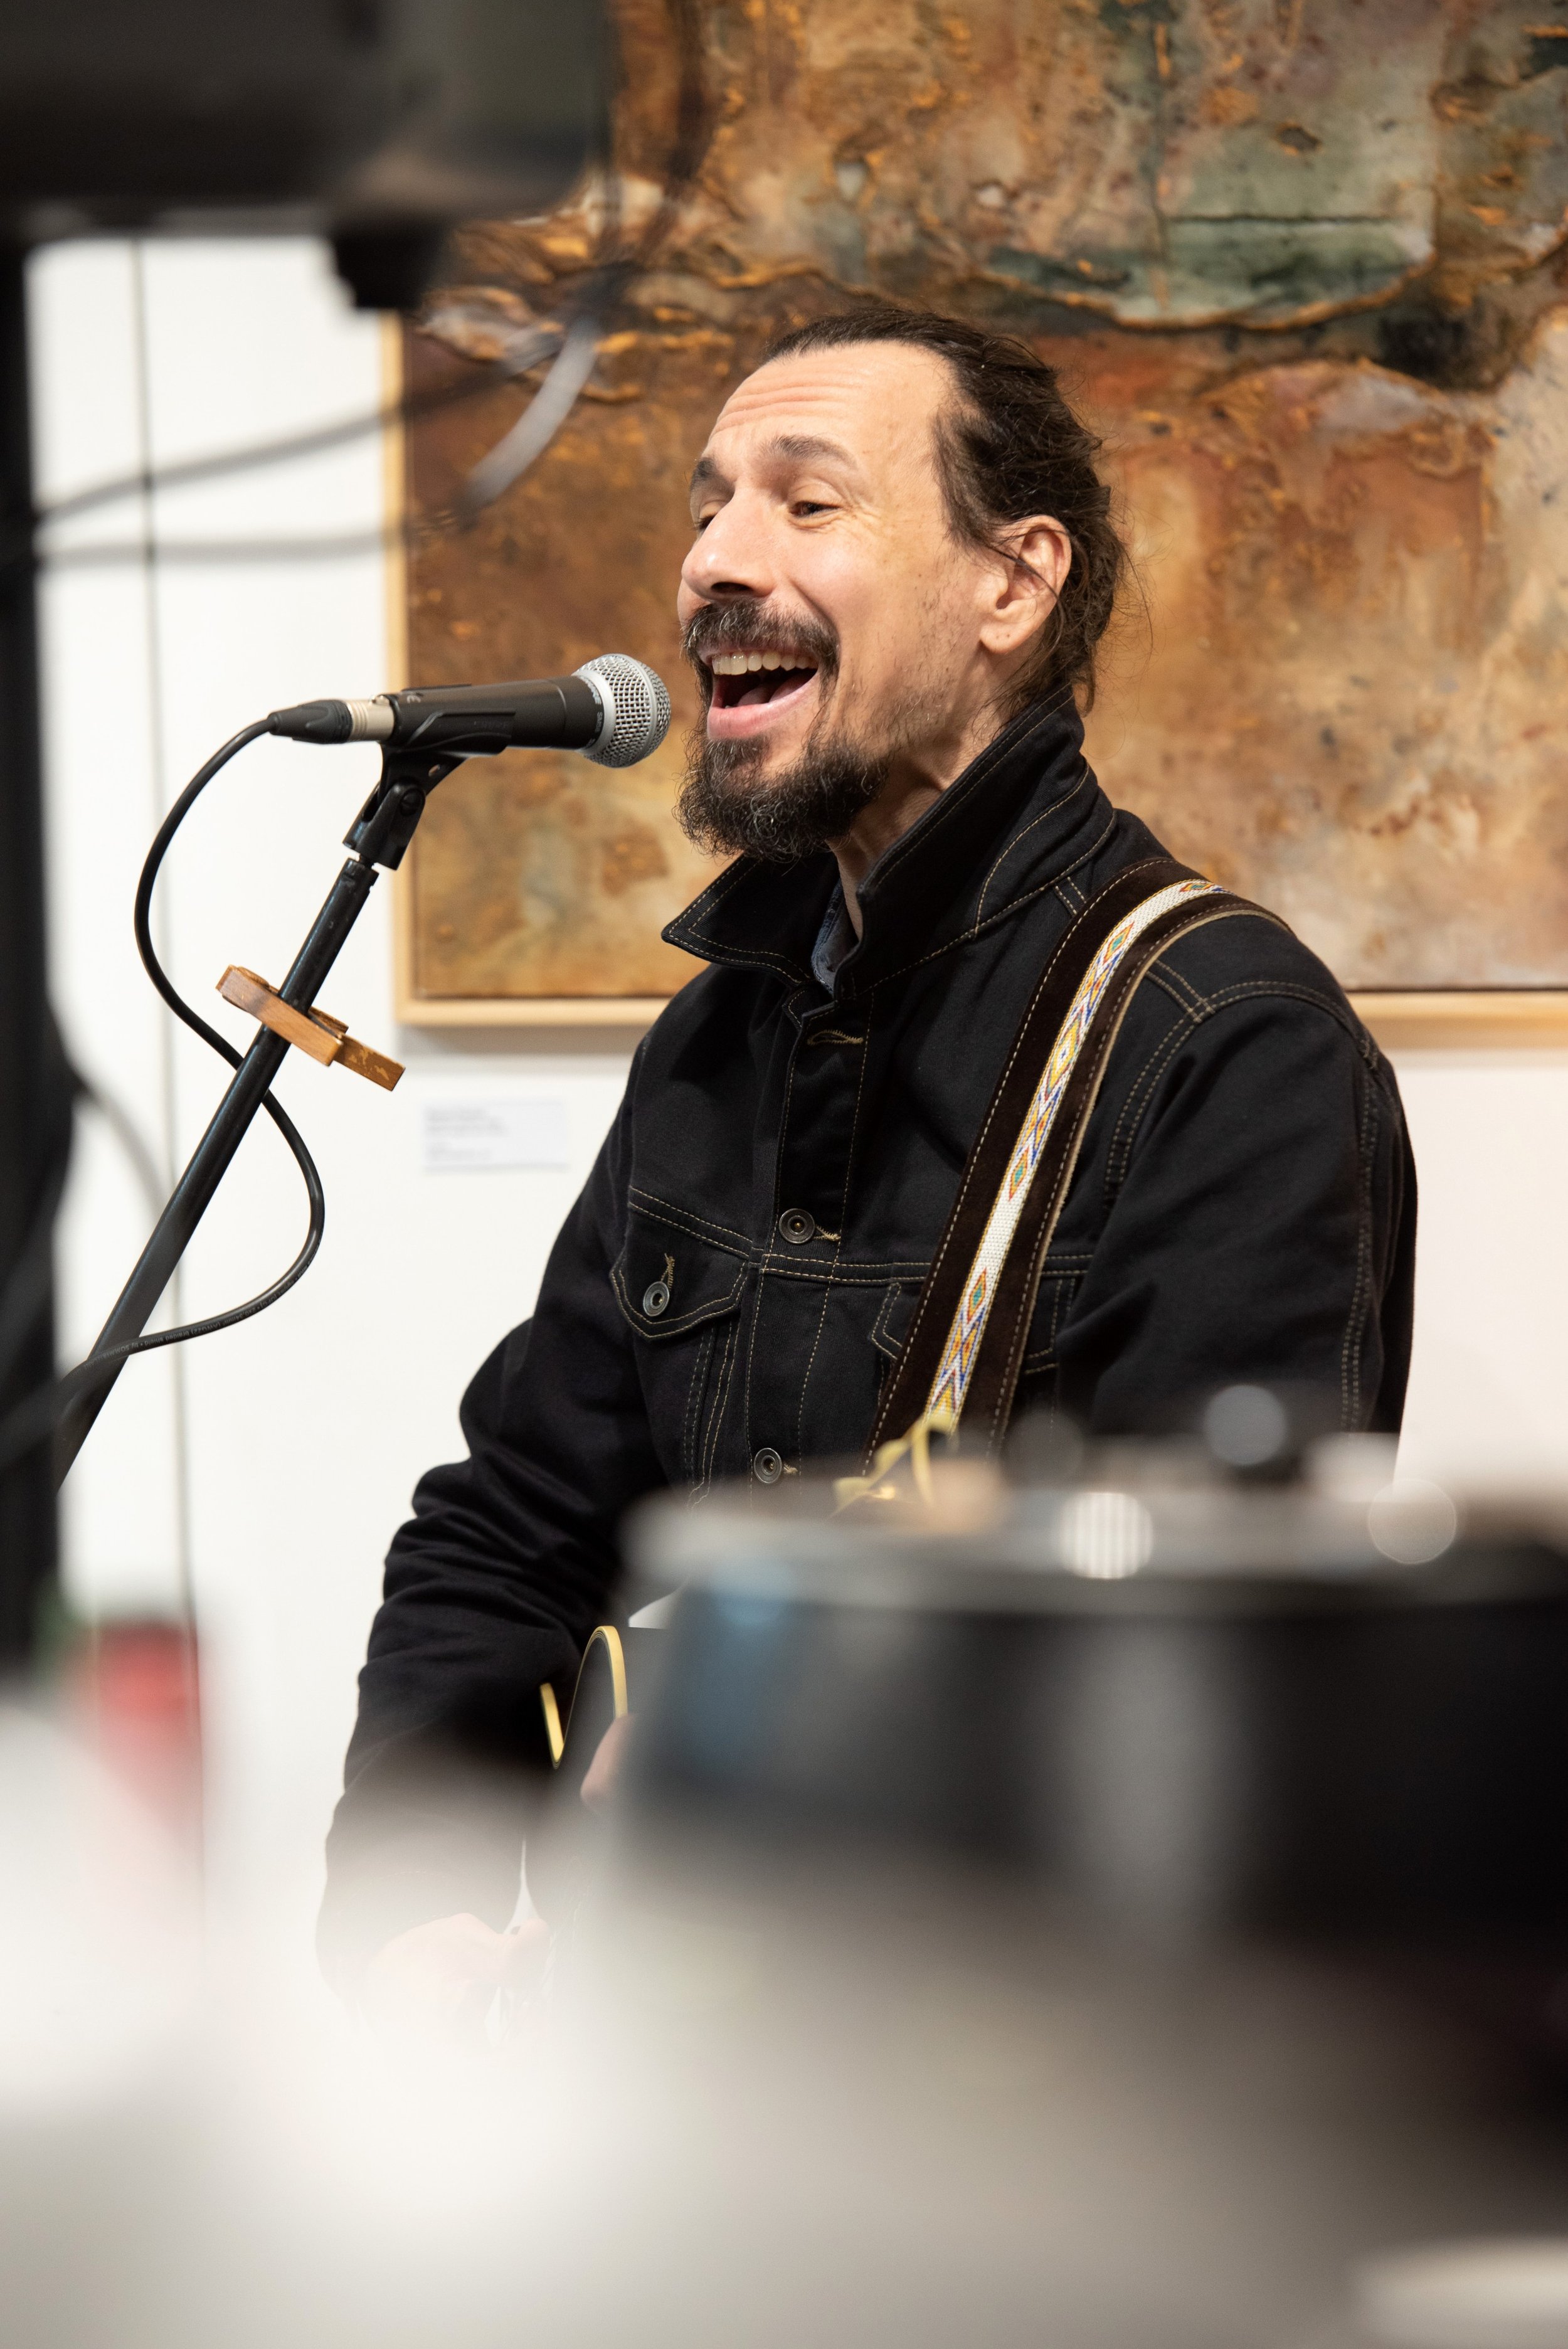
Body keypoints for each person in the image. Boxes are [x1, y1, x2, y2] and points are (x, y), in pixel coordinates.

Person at [322, 303, 1416, 2017]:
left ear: (1012, 583)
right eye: (707, 504)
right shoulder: (721, 1028)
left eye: (805, 499)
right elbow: (511, 1527)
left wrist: (785, 1743)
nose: (712, 559)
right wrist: (415, 1911)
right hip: (662, 2054)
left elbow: (1218, 1678)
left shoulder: (1223, 1044)